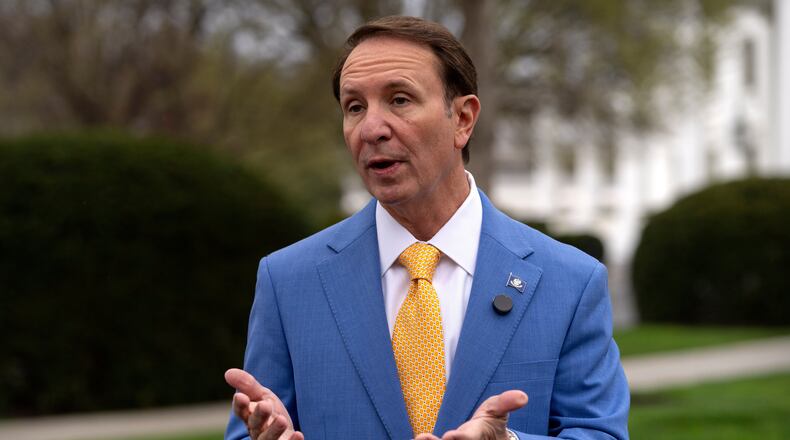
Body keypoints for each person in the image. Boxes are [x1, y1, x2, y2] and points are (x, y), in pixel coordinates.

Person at [224, 15, 629, 440]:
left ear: (463, 119)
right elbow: (250, 429)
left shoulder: (570, 282)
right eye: (354, 107)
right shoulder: (288, 282)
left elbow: (600, 433)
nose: (371, 129)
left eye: (399, 99)